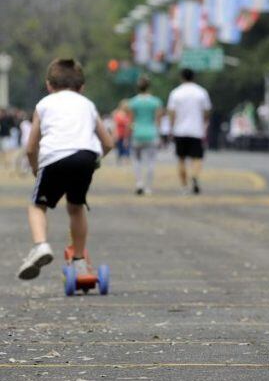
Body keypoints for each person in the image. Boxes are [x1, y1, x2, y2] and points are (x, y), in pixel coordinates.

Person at [17, 58, 113, 281]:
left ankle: (40, 245)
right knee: (76, 206)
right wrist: (94, 161)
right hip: (86, 156)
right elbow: (107, 143)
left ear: (49, 85)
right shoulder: (87, 104)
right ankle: (79, 261)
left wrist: (35, 168)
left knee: (37, 205)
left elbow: (31, 147)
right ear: (82, 87)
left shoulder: (44, 104)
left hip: (54, 157)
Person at [167, 68, 212, 195]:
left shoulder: (176, 93)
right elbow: (207, 111)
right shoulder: (201, 92)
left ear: (181, 77)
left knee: (181, 159)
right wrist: (204, 123)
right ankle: (195, 177)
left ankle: (184, 186)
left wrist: (171, 128)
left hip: (179, 130)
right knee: (197, 158)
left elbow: (171, 113)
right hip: (196, 130)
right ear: (194, 77)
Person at [127, 76, 163, 195]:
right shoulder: (156, 102)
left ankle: (139, 183)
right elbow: (158, 121)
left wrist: (128, 136)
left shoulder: (133, 102)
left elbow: (131, 121)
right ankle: (148, 187)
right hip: (151, 133)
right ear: (149, 86)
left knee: (136, 160)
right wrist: (160, 135)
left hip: (137, 133)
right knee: (151, 161)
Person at [111, 100, 132, 165]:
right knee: (120, 148)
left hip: (127, 134)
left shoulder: (129, 114)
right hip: (119, 134)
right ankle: (120, 162)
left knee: (127, 148)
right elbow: (114, 125)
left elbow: (129, 124)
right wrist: (114, 134)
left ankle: (126, 162)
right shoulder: (116, 113)